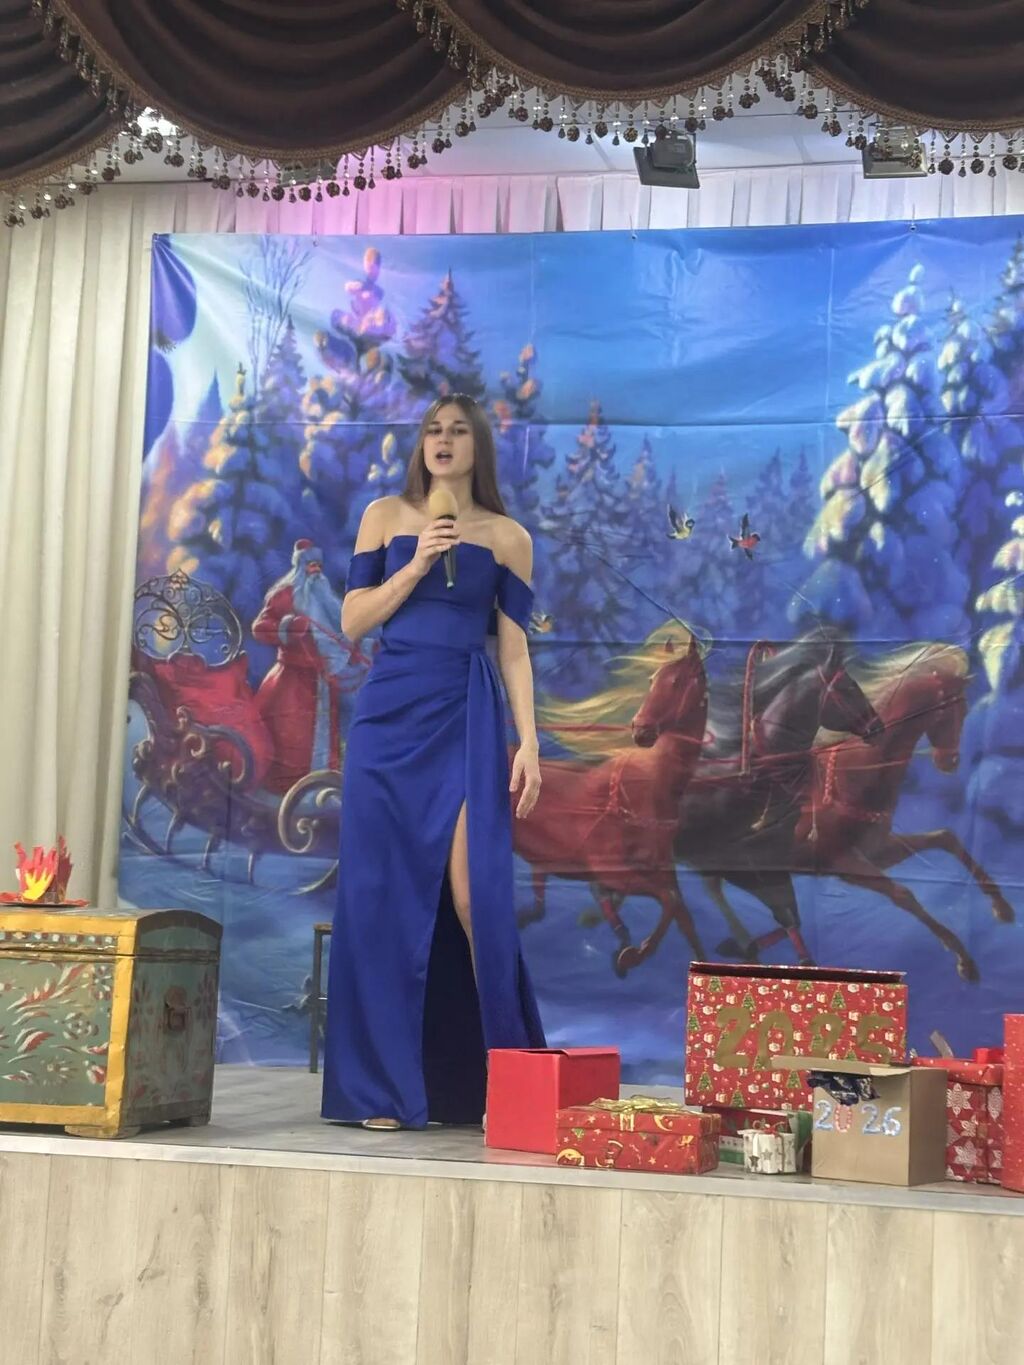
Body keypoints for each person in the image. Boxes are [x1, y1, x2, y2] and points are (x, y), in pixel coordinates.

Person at [321, 395, 546, 1130]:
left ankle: (501, 1085)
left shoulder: (508, 537)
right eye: (433, 431)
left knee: (474, 898)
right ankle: (381, 1090)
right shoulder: (385, 516)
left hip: (465, 712)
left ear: (478, 447)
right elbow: (354, 619)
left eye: (457, 431)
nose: (443, 441)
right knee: (382, 897)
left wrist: (529, 741)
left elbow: (513, 648)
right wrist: (415, 564)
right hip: (389, 717)